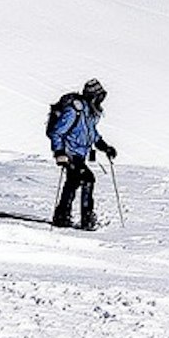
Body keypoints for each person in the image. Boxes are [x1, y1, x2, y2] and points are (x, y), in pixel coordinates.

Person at [45, 78, 117, 230]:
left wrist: (105, 147)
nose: (101, 101)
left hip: (79, 154)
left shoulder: (89, 112)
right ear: (92, 96)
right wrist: (59, 152)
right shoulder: (74, 110)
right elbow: (57, 132)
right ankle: (87, 218)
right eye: (99, 97)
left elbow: (91, 134)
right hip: (69, 153)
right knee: (87, 179)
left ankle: (62, 216)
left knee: (73, 182)